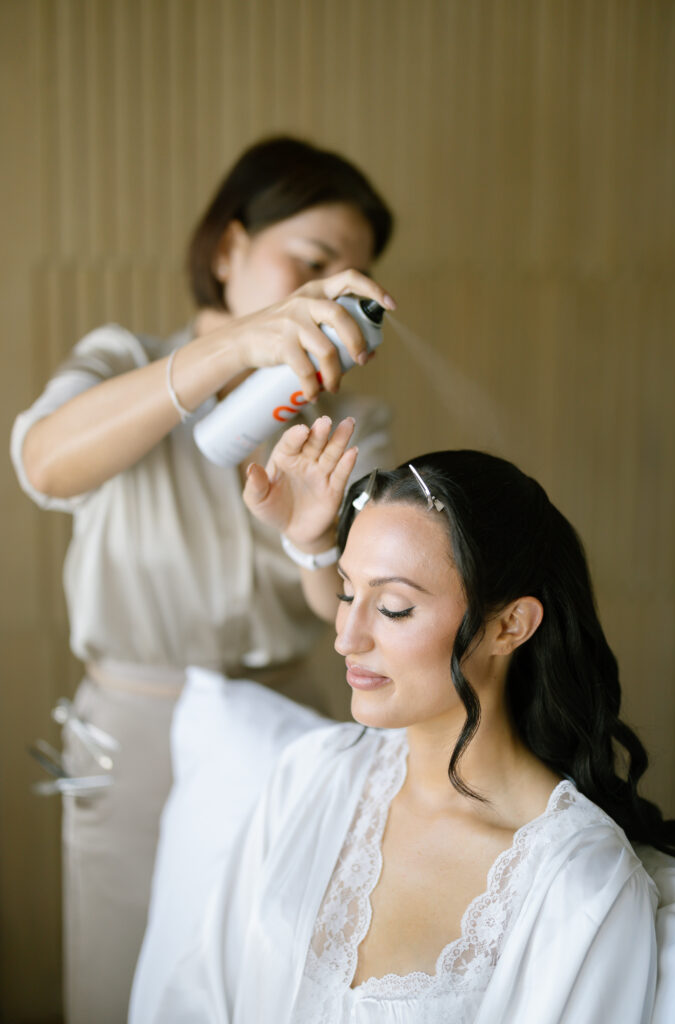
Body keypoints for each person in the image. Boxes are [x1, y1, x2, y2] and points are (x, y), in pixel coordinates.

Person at [10, 136, 396, 1024]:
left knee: (259, 984)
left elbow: (347, 612)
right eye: (311, 262)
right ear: (226, 251)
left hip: (282, 723)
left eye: (352, 274)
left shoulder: (349, 423)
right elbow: (44, 464)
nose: (328, 290)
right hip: (133, 733)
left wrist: (312, 541)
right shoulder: (122, 362)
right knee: (115, 986)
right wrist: (229, 356)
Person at [153, 418, 675, 1023]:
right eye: (348, 593)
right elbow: (199, 997)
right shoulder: (311, 775)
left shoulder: (581, 886)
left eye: (395, 608)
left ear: (510, 626)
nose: (346, 637)